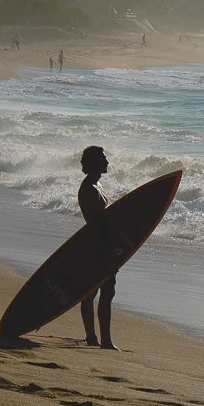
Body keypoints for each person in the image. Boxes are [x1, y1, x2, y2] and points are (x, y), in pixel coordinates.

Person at [78, 145, 118, 349]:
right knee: (95, 292)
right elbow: (96, 225)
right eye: (103, 158)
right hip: (96, 248)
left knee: (104, 292)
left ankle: (97, 338)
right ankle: (100, 340)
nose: (107, 162)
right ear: (95, 163)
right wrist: (108, 253)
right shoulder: (89, 190)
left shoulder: (96, 186)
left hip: (99, 246)